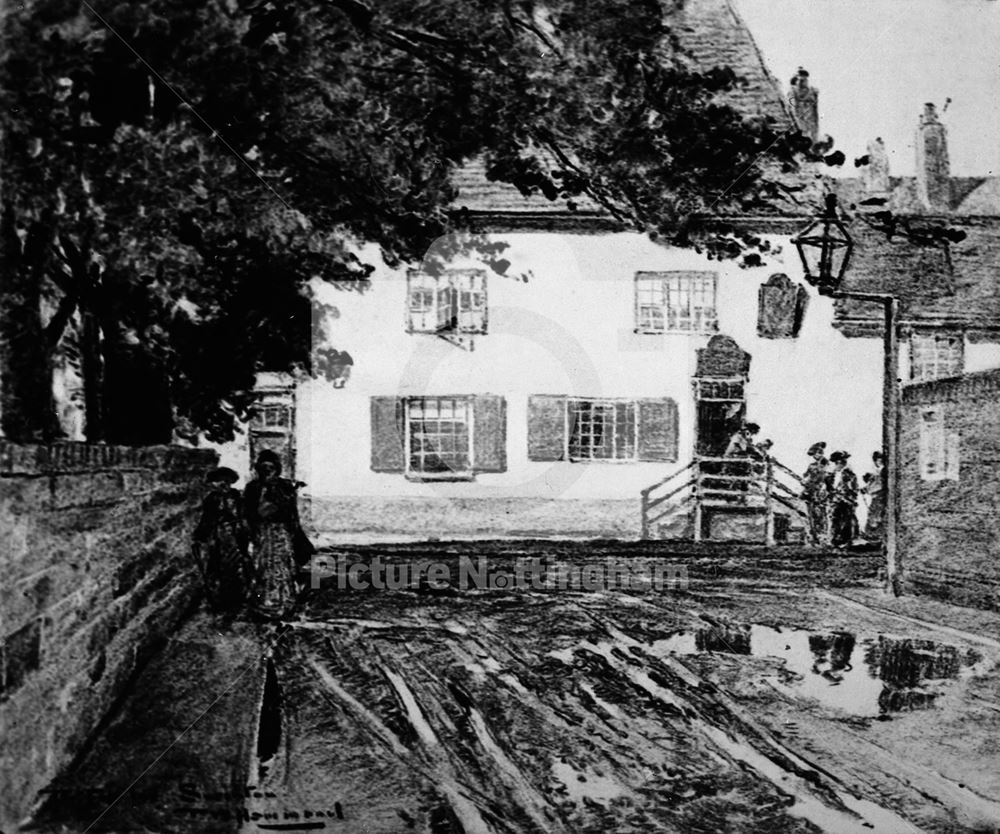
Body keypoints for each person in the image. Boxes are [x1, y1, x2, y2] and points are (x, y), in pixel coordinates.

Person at [244, 450, 316, 620]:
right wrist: (251, 533)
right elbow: (248, 512)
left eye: (271, 467)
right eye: (264, 468)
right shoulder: (253, 487)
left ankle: (285, 602)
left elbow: (291, 512)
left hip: (281, 532)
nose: (268, 471)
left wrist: (294, 531)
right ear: (258, 469)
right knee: (263, 567)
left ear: (277, 468)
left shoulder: (284, 486)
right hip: (263, 533)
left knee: (283, 567)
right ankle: (264, 604)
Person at [192, 467, 252, 616]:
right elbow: (207, 519)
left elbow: (243, 514)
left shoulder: (236, 495)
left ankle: (241, 598)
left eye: (226, 481)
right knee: (220, 567)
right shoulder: (212, 499)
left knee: (240, 564)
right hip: (220, 536)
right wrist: (200, 536)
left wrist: (245, 529)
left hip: (237, 534)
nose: (223, 484)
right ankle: (225, 601)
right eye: (219, 481)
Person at [827, 451, 859, 549]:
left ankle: (845, 541)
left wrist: (851, 498)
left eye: (843, 461)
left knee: (846, 521)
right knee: (834, 520)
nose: (841, 463)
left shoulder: (849, 474)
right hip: (835, 501)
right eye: (839, 462)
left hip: (846, 501)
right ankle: (833, 541)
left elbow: (854, 488)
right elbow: (828, 488)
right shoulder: (831, 475)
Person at [801, 442, 830, 546]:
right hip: (811, 492)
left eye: (817, 453)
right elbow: (807, 475)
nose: (815, 456)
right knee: (811, 515)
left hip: (820, 492)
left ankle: (823, 537)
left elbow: (825, 478)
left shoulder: (826, 465)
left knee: (820, 515)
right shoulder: (812, 465)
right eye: (814, 454)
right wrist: (805, 481)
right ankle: (814, 537)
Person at [862, 451, 886, 541]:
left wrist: (867, 490)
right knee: (874, 514)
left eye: (881, 460)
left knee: (875, 515)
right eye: (877, 460)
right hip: (876, 496)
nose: (879, 462)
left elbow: (878, 485)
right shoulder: (877, 471)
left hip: (879, 496)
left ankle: (875, 536)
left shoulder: (882, 471)